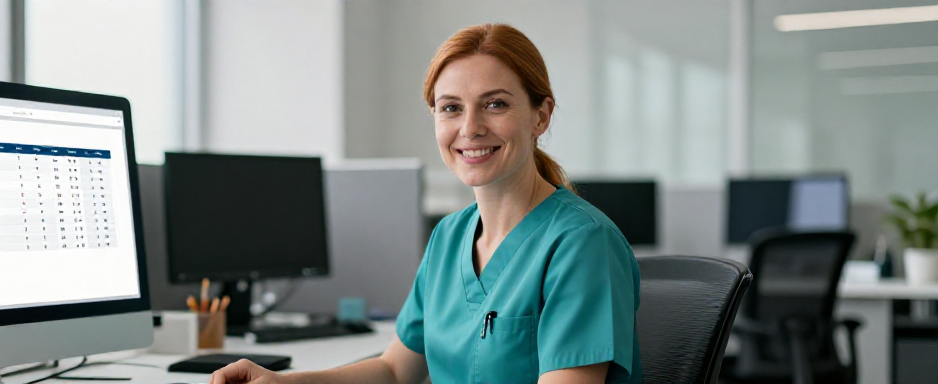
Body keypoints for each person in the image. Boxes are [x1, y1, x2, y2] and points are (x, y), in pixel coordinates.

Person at [211, 23, 642, 384]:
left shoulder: (582, 243)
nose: (470, 128)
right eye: (451, 108)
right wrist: (280, 382)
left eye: (495, 104)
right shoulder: (449, 237)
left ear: (540, 116)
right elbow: (395, 371)